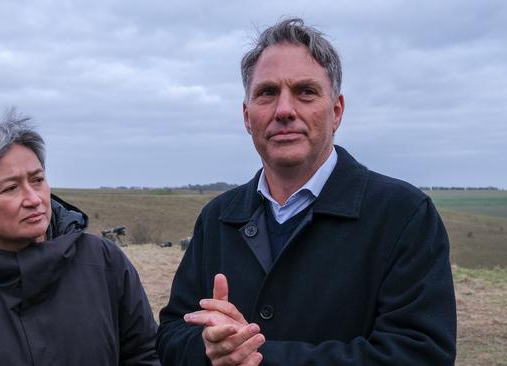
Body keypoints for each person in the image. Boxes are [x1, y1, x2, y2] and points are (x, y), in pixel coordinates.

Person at [157, 18, 456, 365]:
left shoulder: (403, 215)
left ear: (336, 112)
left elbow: (420, 355)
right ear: (246, 116)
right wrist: (210, 348)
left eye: (306, 92)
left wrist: (255, 357)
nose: (284, 110)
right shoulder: (218, 217)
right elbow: (171, 334)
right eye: (267, 93)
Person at [0, 110, 160, 365]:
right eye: (11, 188)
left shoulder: (104, 262)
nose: (34, 200)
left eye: (37, 180)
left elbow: (145, 354)